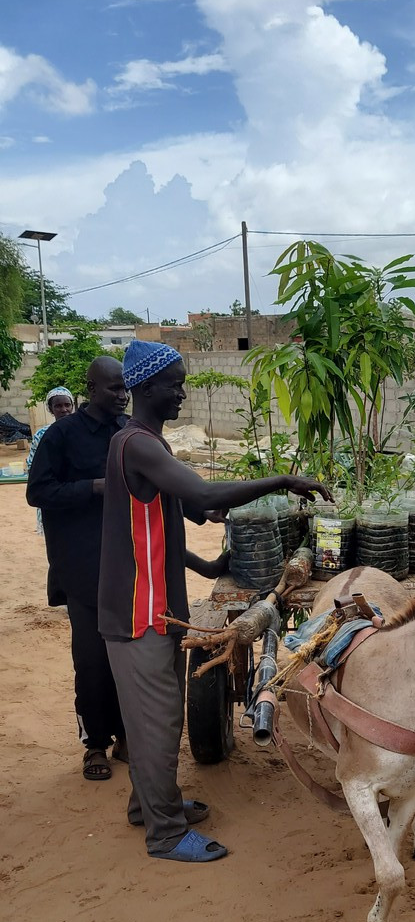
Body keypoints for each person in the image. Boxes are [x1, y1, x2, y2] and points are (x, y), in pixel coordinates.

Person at [98, 340, 332, 864]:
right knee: (158, 722)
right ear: (146, 387)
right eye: (175, 383)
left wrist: (208, 567)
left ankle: (150, 805)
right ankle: (163, 833)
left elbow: (162, 520)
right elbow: (201, 496)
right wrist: (282, 480)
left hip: (150, 604)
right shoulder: (138, 444)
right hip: (140, 612)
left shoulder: (137, 442)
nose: (182, 392)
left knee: (151, 717)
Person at [26, 358, 130, 781]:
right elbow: (37, 491)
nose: (122, 395)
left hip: (127, 569)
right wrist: (93, 488)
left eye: (125, 388)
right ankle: (94, 746)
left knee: (128, 657)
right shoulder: (60, 435)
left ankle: (126, 736)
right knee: (91, 661)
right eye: (113, 389)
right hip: (82, 570)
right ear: (91, 388)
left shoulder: (128, 432)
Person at [26, 386, 74, 535]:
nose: (64, 409)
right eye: (58, 406)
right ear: (50, 409)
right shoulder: (42, 435)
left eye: (67, 405)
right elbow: (33, 465)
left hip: (76, 491)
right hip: (53, 492)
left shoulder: (80, 430)